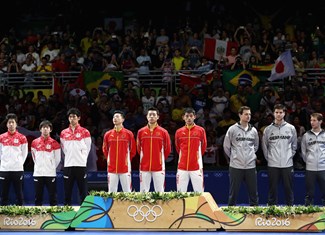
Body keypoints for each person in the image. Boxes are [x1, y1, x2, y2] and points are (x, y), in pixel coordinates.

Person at [262, 104, 297, 206]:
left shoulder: (291, 128)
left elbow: (294, 145)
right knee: (272, 188)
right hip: (273, 164)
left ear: (284, 113)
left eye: (281, 112)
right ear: (273, 113)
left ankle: (290, 208)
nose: (278, 114)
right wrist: (269, 159)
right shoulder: (268, 129)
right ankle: (272, 209)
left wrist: (290, 156)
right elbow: (265, 146)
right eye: (276, 112)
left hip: (287, 164)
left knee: (288, 188)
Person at [223, 106, 259, 206]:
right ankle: (230, 213)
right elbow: (226, 146)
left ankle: (255, 213)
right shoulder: (232, 129)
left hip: (250, 165)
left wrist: (251, 156)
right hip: (236, 165)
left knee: (253, 193)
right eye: (246, 114)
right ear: (240, 115)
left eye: (250, 114)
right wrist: (234, 157)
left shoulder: (254, 130)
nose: (248, 116)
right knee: (233, 193)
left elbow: (256, 146)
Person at [60, 107, 91, 205]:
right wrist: (69, 157)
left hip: (80, 165)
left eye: (74, 117)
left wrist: (82, 159)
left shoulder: (85, 132)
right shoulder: (63, 133)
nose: (72, 119)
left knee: (83, 190)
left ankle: (85, 210)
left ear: (79, 118)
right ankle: (67, 209)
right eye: (70, 117)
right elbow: (63, 148)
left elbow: (87, 148)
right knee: (67, 190)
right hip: (68, 165)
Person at [137, 107, 171, 192]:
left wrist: (160, 159)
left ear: (158, 117)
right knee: (143, 192)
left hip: (158, 166)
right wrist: (144, 158)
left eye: (154, 115)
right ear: (147, 116)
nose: (151, 116)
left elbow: (167, 149)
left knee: (160, 191)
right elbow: (138, 148)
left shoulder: (164, 132)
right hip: (144, 166)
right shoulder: (141, 132)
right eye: (150, 115)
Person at [102, 110, 136, 192]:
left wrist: (125, 161)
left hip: (125, 167)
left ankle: (128, 205)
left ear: (123, 119)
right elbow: (105, 149)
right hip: (112, 168)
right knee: (112, 191)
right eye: (114, 117)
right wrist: (110, 160)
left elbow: (133, 150)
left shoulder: (129, 134)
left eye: (117, 116)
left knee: (127, 191)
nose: (115, 118)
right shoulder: (108, 134)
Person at [175, 107, 207, 192]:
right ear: (183, 117)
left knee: (199, 193)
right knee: (180, 194)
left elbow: (203, 147)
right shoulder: (179, 132)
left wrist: (196, 157)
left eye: (191, 116)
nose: (189, 118)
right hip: (182, 167)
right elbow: (178, 148)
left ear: (194, 117)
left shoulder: (201, 130)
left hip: (196, 167)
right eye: (187, 116)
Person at [0, 113, 28, 205]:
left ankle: (21, 212)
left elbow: (24, 153)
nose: (11, 124)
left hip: (17, 169)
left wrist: (19, 163)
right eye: (9, 122)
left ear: (16, 124)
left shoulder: (22, 137)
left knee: (19, 192)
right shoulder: (1, 137)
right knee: (4, 193)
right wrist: (4, 163)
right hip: (4, 169)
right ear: (6, 124)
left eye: (13, 122)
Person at [31, 120, 61, 206]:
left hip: (50, 174)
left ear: (50, 130)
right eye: (43, 127)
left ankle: (54, 215)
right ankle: (37, 216)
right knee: (38, 197)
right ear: (40, 129)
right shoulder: (34, 142)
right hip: (38, 173)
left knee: (53, 197)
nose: (45, 129)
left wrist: (51, 167)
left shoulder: (55, 143)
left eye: (47, 127)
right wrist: (39, 166)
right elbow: (34, 157)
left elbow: (57, 159)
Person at [301, 113, 325, 206]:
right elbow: (303, 151)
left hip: (323, 168)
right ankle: (308, 214)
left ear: (320, 121)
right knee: (309, 194)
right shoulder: (306, 135)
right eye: (311, 120)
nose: (312, 122)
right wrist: (309, 161)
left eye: (314, 120)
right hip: (310, 168)